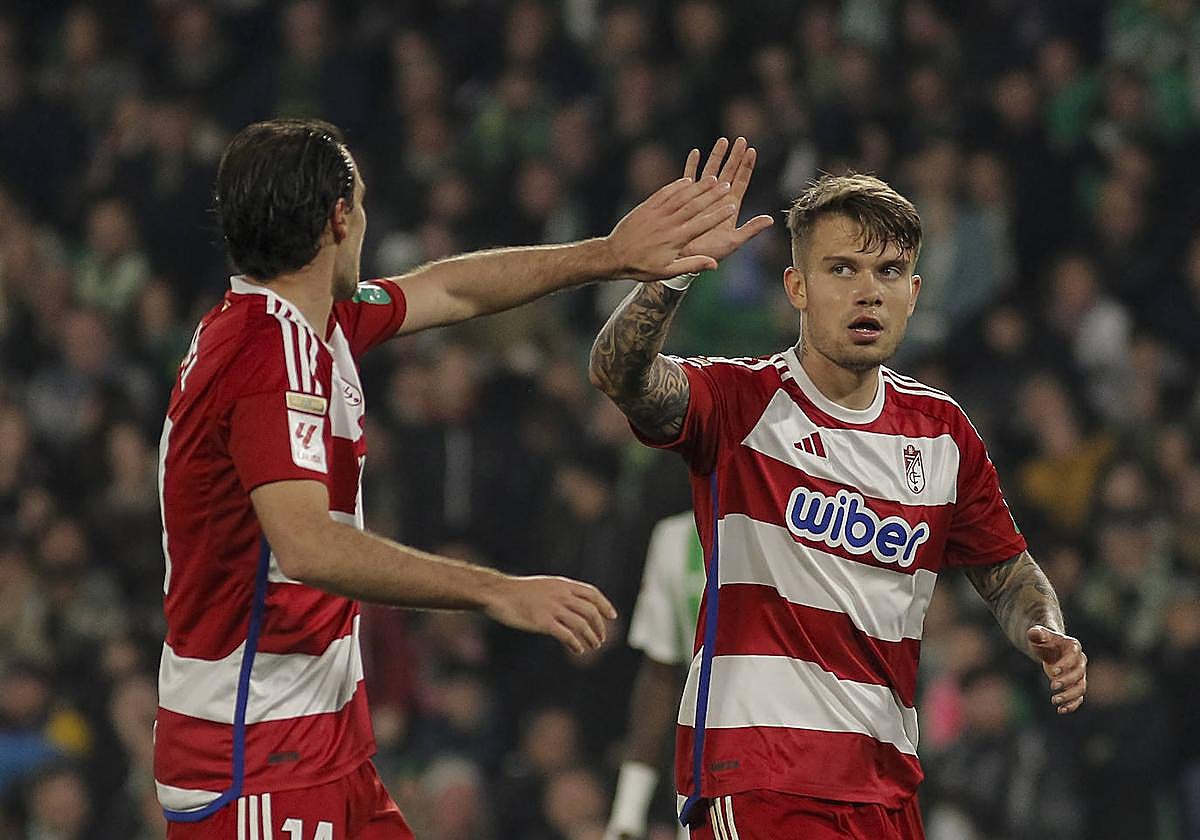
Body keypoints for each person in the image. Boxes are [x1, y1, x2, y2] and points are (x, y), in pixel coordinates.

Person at [155, 117, 740, 839]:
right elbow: (308, 546)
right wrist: (496, 591)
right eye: (362, 204)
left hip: (321, 744)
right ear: (339, 218)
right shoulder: (265, 357)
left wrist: (611, 256)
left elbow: (451, 291)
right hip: (256, 756)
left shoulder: (307, 321)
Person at [589, 137, 1089, 839]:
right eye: (842, 269)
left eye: (889, 271)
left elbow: (1006, 573)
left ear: (913, 295)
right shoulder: (739, 400)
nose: (867, 291)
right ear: (797, 288)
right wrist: (668, 279)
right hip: (759, 777)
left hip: (885, 790)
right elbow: (621, 375)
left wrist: (1045, 629)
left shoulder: (942, 434)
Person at [606, 511, 706, 840]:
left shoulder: (812, 525)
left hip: (808, 761)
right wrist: (627, 816)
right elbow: (660, 677)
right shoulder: (676, 539)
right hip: (707, 776)